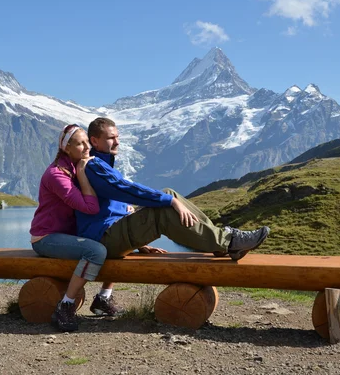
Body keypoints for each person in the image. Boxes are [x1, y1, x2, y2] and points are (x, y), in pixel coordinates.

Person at [76, 117, 270, 261]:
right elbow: (126, 189)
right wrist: (170, 202)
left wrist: (140, 242)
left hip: (110, 234)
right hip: (101, 240)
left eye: (117, 137)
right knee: (164, 209)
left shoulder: (102, 165)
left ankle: (222, 242)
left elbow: (116, 200)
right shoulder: (94, 167)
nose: (117, 142)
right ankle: (229, 242)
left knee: (169, 193)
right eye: (111, 138)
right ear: (94, 141)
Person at [29, 124, 124, 332]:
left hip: (69, 235)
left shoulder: (77, 165)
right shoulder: (57, 175)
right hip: (46, 238)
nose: (86, 147)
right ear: (67, 148)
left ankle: (103, 299)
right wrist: (81, 172)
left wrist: (127, 208)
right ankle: (66, 306)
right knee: (96, 250)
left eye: (86, 142)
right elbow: (90, 207)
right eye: (80, 144)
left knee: (117, 241)